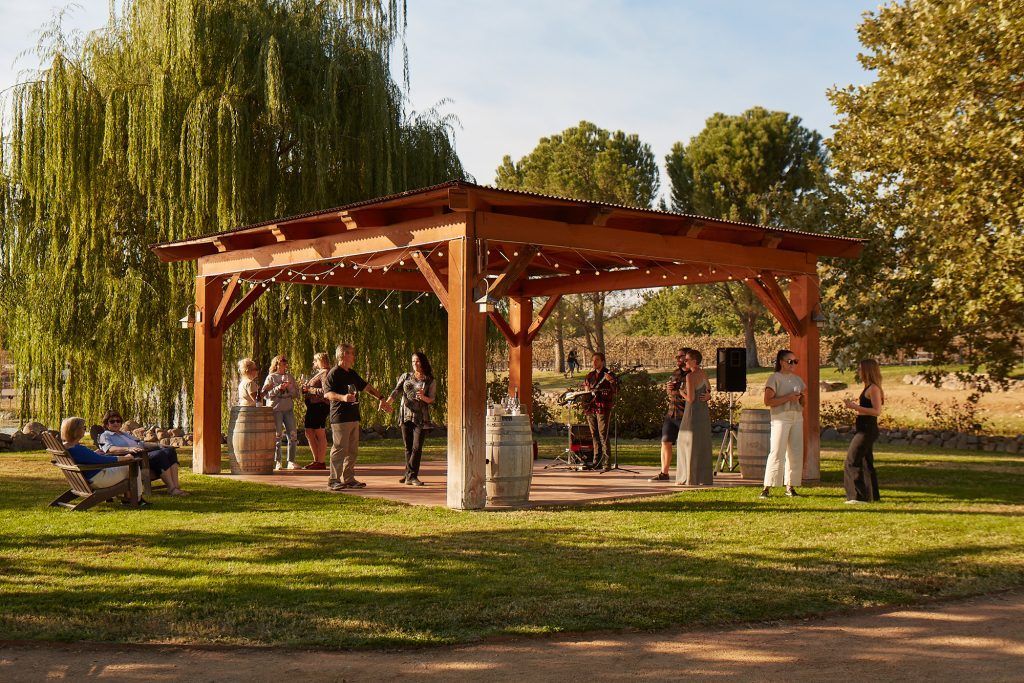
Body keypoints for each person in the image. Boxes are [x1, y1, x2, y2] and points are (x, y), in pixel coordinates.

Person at [323, 342, 391, 490]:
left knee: (352, 450)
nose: (354, 356)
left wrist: (381, 398)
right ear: (344, 355)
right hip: (340, 417)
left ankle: (348, 478)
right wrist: (343, 398)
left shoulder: (352, 373)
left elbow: (366, 387)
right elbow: (327, 394)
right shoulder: (333, 373)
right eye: (351, 353)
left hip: (354, 416)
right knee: (340, 448)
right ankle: (333, 479)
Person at [99, 410, 187, 496]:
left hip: (144, 455)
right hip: (133, 460)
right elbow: (109, 449)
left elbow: (142, 444)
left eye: (118, 421)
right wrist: (128, 449)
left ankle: (176, 487)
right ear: (107, 424)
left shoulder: (124, 434)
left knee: (170, 451)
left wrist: (159, 445)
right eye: (112, 421)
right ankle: (172, 489)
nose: (116, 423)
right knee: (160, 455)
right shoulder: (105, 435)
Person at [62, 416, 147, 505]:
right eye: (84, 428)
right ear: (76, 430)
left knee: (125, 468)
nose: (85, 429)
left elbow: (89, 458)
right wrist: (125, 458)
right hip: (98, 480)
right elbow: (102, 460)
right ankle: (137, 499)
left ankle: (128, 498)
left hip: (84, 479)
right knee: (133, 467)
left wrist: (94, 454)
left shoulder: (67, 446)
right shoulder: (77, 449)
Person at [383, 351, 437, 486]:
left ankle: (412, 476)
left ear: (423, 362)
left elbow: (432, 399)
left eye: (417, 361)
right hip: (405, 414)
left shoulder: (429, 380)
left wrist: (423, 397)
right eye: (413, 361)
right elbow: (396, 391)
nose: (415, 364)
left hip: (421, 417)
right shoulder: (406, 376)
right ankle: (409, 474)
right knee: (408, 446)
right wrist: (387, 403)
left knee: (417, 447)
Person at [760, 349, 806, 498]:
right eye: (790, 361)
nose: (793, 364)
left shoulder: (798, 380)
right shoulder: (774, 378)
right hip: (781, 418)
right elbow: (768, 401)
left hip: (797, 417)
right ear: (781, 362)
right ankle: (767, 487)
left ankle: (790, 486)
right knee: (777, 451)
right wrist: (788, 398)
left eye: (795, 361)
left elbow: (803, 402)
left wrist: (802, 397)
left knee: (795, 452)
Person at [843, 358, 884, 504]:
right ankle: (873, 497)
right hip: (863, 427)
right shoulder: (868, 387)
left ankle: (857, 496)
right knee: (867, 462)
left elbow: (876, 411)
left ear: (867, 370)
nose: (859, 371)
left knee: (852, 460)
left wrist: (855, 407)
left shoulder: (873, 388)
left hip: (867, 429)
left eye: (860, 369)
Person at [676, 349, 714, 486]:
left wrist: (681, 392)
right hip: (703, 412)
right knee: (701, 443)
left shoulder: (690, 377)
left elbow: (691, 399)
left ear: (694, 361)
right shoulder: (703, 373)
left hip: (692, 412)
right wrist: (708, 395)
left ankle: (689, 477)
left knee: (685, 442)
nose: (684, 361)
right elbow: (709, 389)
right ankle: (703, 477)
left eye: (686, 360)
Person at [651, 348, 689, 482]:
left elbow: (693, 395)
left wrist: (679, 391)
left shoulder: (693, 374)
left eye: (680, 356)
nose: (678, 359)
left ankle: (688, 473)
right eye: (677, 356)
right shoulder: (676, 373)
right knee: (665, 441)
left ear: (688, 357)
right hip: (672, 412)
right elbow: (672, 393)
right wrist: (669, 390)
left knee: (686, 445)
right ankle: (664, 473)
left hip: (685, 413)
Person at [262, 354, 301, 470]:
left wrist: (289, 389)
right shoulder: (271, 377)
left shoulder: (290, 377)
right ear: (277, 364)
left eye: (285, 362)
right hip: (276, 410)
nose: (285, 364)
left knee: (293, 435)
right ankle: (278, 461)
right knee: (277, 436)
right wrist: (278, 388)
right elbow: (265, 395)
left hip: (288, 409)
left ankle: (291, 461)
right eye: (282, 362)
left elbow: (296, 394)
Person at [583, 352, 617, 471]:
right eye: (593, 360)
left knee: (603, 434)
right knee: (594, 435)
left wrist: (611, 381)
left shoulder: (609, 374)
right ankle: (596, 461)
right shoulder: (590, 375)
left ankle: (607, 462)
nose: (594, 362)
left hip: (602, 407)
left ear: (602, 361)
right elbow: (586, 390)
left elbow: (616, 390)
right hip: (591, 407)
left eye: (597, 360)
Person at [301, 352, 331, 471]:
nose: (314, 363)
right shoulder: (320, 373)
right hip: (313, 406)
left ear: (321, 360)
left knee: (319, 432)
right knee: (309, 432)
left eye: (315, 361)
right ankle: (316, 460)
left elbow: (325, 391)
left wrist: (309, 389)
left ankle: (321, 461)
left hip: (320, 406)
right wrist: (306, 390)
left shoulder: (325, 373)